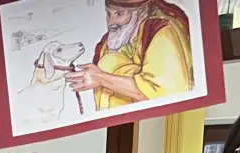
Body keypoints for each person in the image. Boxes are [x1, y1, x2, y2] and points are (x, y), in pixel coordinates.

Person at [63, 0, 194, 108]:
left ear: (141, 12)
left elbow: (164, 94)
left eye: (119, 14)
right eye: (108, 14)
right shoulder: (112, 39)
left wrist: (101, 78)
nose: (110, 23)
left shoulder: (163, 32)